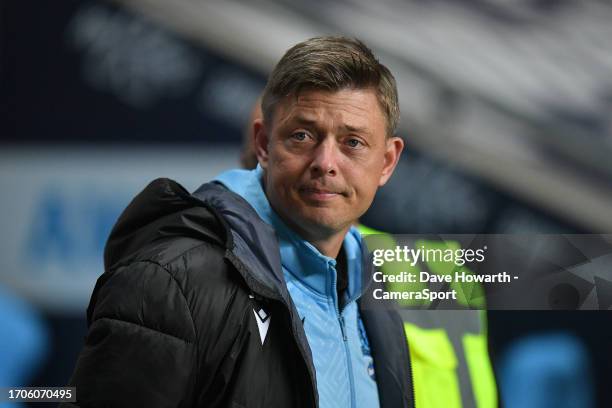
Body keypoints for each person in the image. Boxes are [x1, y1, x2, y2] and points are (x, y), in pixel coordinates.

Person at [64, 36, 410, 407]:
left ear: (387, 162)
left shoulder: (376, 293)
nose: (325, 162)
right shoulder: (171, 282)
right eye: (302, 135)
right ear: (263, 144)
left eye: (352, 142)